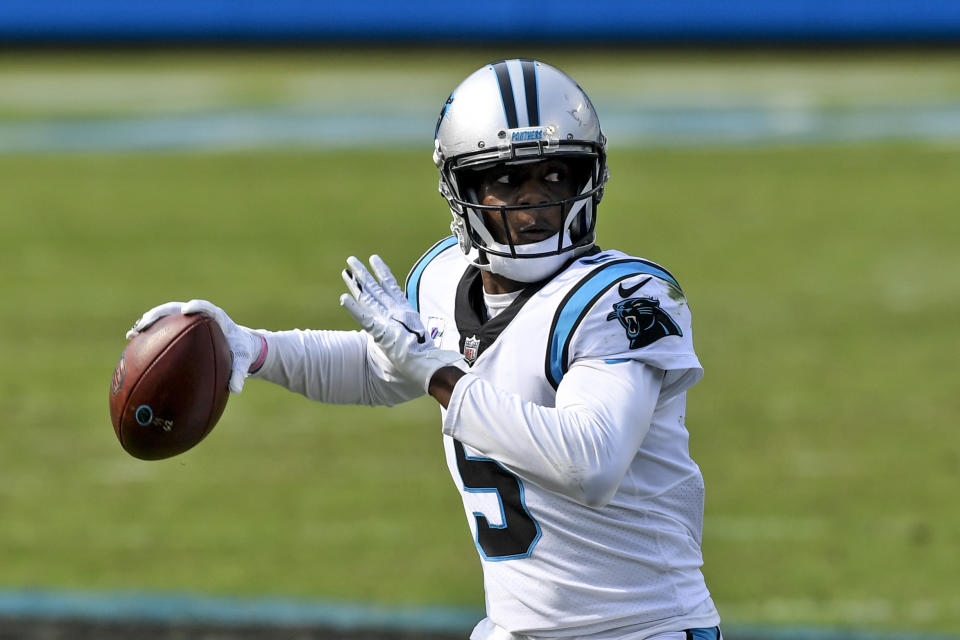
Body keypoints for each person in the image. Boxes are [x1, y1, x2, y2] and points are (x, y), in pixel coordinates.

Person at [127, 59, 722, 640]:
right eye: (507, 180)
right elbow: (381, 366)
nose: (536, 203)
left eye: (557, 176)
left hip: (644, 627)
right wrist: (251, 349)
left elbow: (589, 463)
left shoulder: (623, 298)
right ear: (462, 189)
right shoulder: (443, 277)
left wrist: (437, 374)